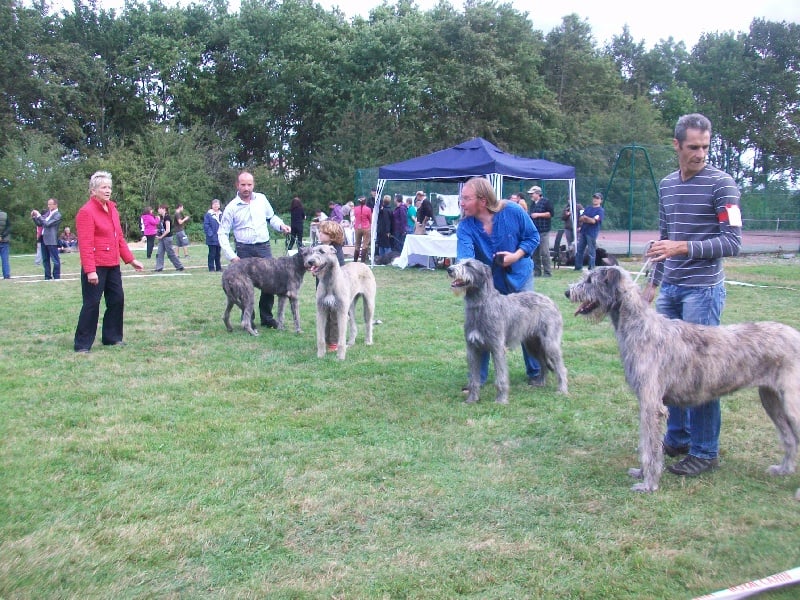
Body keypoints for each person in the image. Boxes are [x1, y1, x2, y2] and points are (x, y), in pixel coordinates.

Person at [643, 113, 742, 477]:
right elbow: (664, 237)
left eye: (705, 147)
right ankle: (678, 438)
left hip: (703, 291)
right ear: (677, 145)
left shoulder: (722, 184)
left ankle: (704, 451)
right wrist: (653, 283)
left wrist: (682, 247)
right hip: (670, 289)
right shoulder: (667, 185)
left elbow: (732, 242)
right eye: (693, 147)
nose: (700, 154)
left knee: (702, 373)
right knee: (668, 369)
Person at [456, 176, 543, 388]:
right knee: (482, 322)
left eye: (466, 198)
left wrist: (516, 256)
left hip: (519, 276)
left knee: (527, 324)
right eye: (461, 198)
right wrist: (463, 274)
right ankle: (478, 378)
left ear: (483, 200)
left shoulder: (512, 211)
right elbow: (465, 257)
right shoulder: (465, 226)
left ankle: (536, 372)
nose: (461, 203)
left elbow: (533, 237)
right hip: (489, 282)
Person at [73, 171, 144, 352]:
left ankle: (112, 338)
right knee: (92, 304)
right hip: (96, 265)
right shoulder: (86, 212)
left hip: (113, 264)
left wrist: (131, 260)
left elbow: (118, 238)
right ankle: (82, 344)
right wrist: (90, 270)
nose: (108, 190)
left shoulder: (112, 209)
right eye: (103, 187)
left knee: (117, 300)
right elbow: (85, 244)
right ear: (93, 191)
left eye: (109, 187)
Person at [218, 171, 290, 328]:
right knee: (244, 288)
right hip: (244, 250)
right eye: (243, 185)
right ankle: (248, 320)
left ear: (253, 185)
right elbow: (222, 233)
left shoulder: (262, 199)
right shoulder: (231, 207)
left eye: (249, 184)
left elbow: (271, 217)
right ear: (237, 185)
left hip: (264, 248)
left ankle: (267, 318)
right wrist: (231, 256)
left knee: (270, 284)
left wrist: (281, 226)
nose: (246, 188)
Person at [316, 220, 346, 351]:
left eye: (323, 232)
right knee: (324, 313)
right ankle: (325, 339)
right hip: (322, 286)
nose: (320, 234)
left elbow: (338, 269)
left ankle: (334, 341)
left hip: (335, 288)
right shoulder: (319, 248)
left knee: (334, 315)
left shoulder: (335, 251)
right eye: (320, 231)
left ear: (332, 235)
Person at [31, 198, 62, 280]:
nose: (48, 206)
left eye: (50, 204)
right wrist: (34, 217)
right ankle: (47, 276)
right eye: (48, 204)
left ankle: (56, 276)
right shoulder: (48, 214)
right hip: (43, 238)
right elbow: (40, 223)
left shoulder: (57, 215)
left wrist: (39, 215)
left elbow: (47, 224)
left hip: (51, 239)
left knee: (55, 260)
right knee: (45, 259)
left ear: (55, 205)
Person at [574, 192, 604, 271]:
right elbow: (580, 218)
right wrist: (587, 219)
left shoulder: (600, 210)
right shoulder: (588, 208)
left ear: (601, 200)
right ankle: (578, 267)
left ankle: (591, 268)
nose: (595, 199)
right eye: (594, 198)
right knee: (579, 250)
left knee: (591, 251)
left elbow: (593, 221)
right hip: (583, 231)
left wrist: (586, 218)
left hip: (592, 233)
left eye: (597, 198)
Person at [529, 186, 554, 277]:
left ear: (538, 194)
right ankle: (537, 272)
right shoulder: (533, 204)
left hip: (544, 231)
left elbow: (550, 214)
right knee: (535, 253)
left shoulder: (546, 202)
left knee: (544, 252)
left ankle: (547, 272)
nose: (531, 195)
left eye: (532, 194)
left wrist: (538, 215)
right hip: (534, 232)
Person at [154, 205, 185, 272]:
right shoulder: (162, 217)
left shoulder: (167, 217)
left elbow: (168, 230)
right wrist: (158, 234)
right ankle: (159, 268)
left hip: (167, 238)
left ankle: (179, 266)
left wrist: (161, 236)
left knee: (170, 253)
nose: (158, 210)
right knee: (159, 253)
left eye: (159, 209)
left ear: (164, 209)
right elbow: (161, 228)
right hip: (162, 238)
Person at [203, 199, 223, 272]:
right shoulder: (208, 215)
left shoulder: (221, 214)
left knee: (218, 253)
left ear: (219, 205)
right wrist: (211, 234)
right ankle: (211, 268)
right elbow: (206, 225)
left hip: (219, 237)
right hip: (211, 237)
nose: (216, 206)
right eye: (214, 204)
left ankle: (218, 268)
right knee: (212, 253)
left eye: (217, 204)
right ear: (212, 205)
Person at [351, 195, 372, 263]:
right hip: (366, 227)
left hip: (357, 227)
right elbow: (370, 219)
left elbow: (355, 216)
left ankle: (355, 261)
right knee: (365, 245)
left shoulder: (355, 209)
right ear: (365, 201)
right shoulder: (368, 209)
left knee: (357, 245)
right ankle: (362, 262)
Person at [0, 208, 10, 279]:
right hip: (5, 240)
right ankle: (6, 275)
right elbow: (9, 228)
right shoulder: (5, 215)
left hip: (4, 240)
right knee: (5, 259)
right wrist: (2, 236)